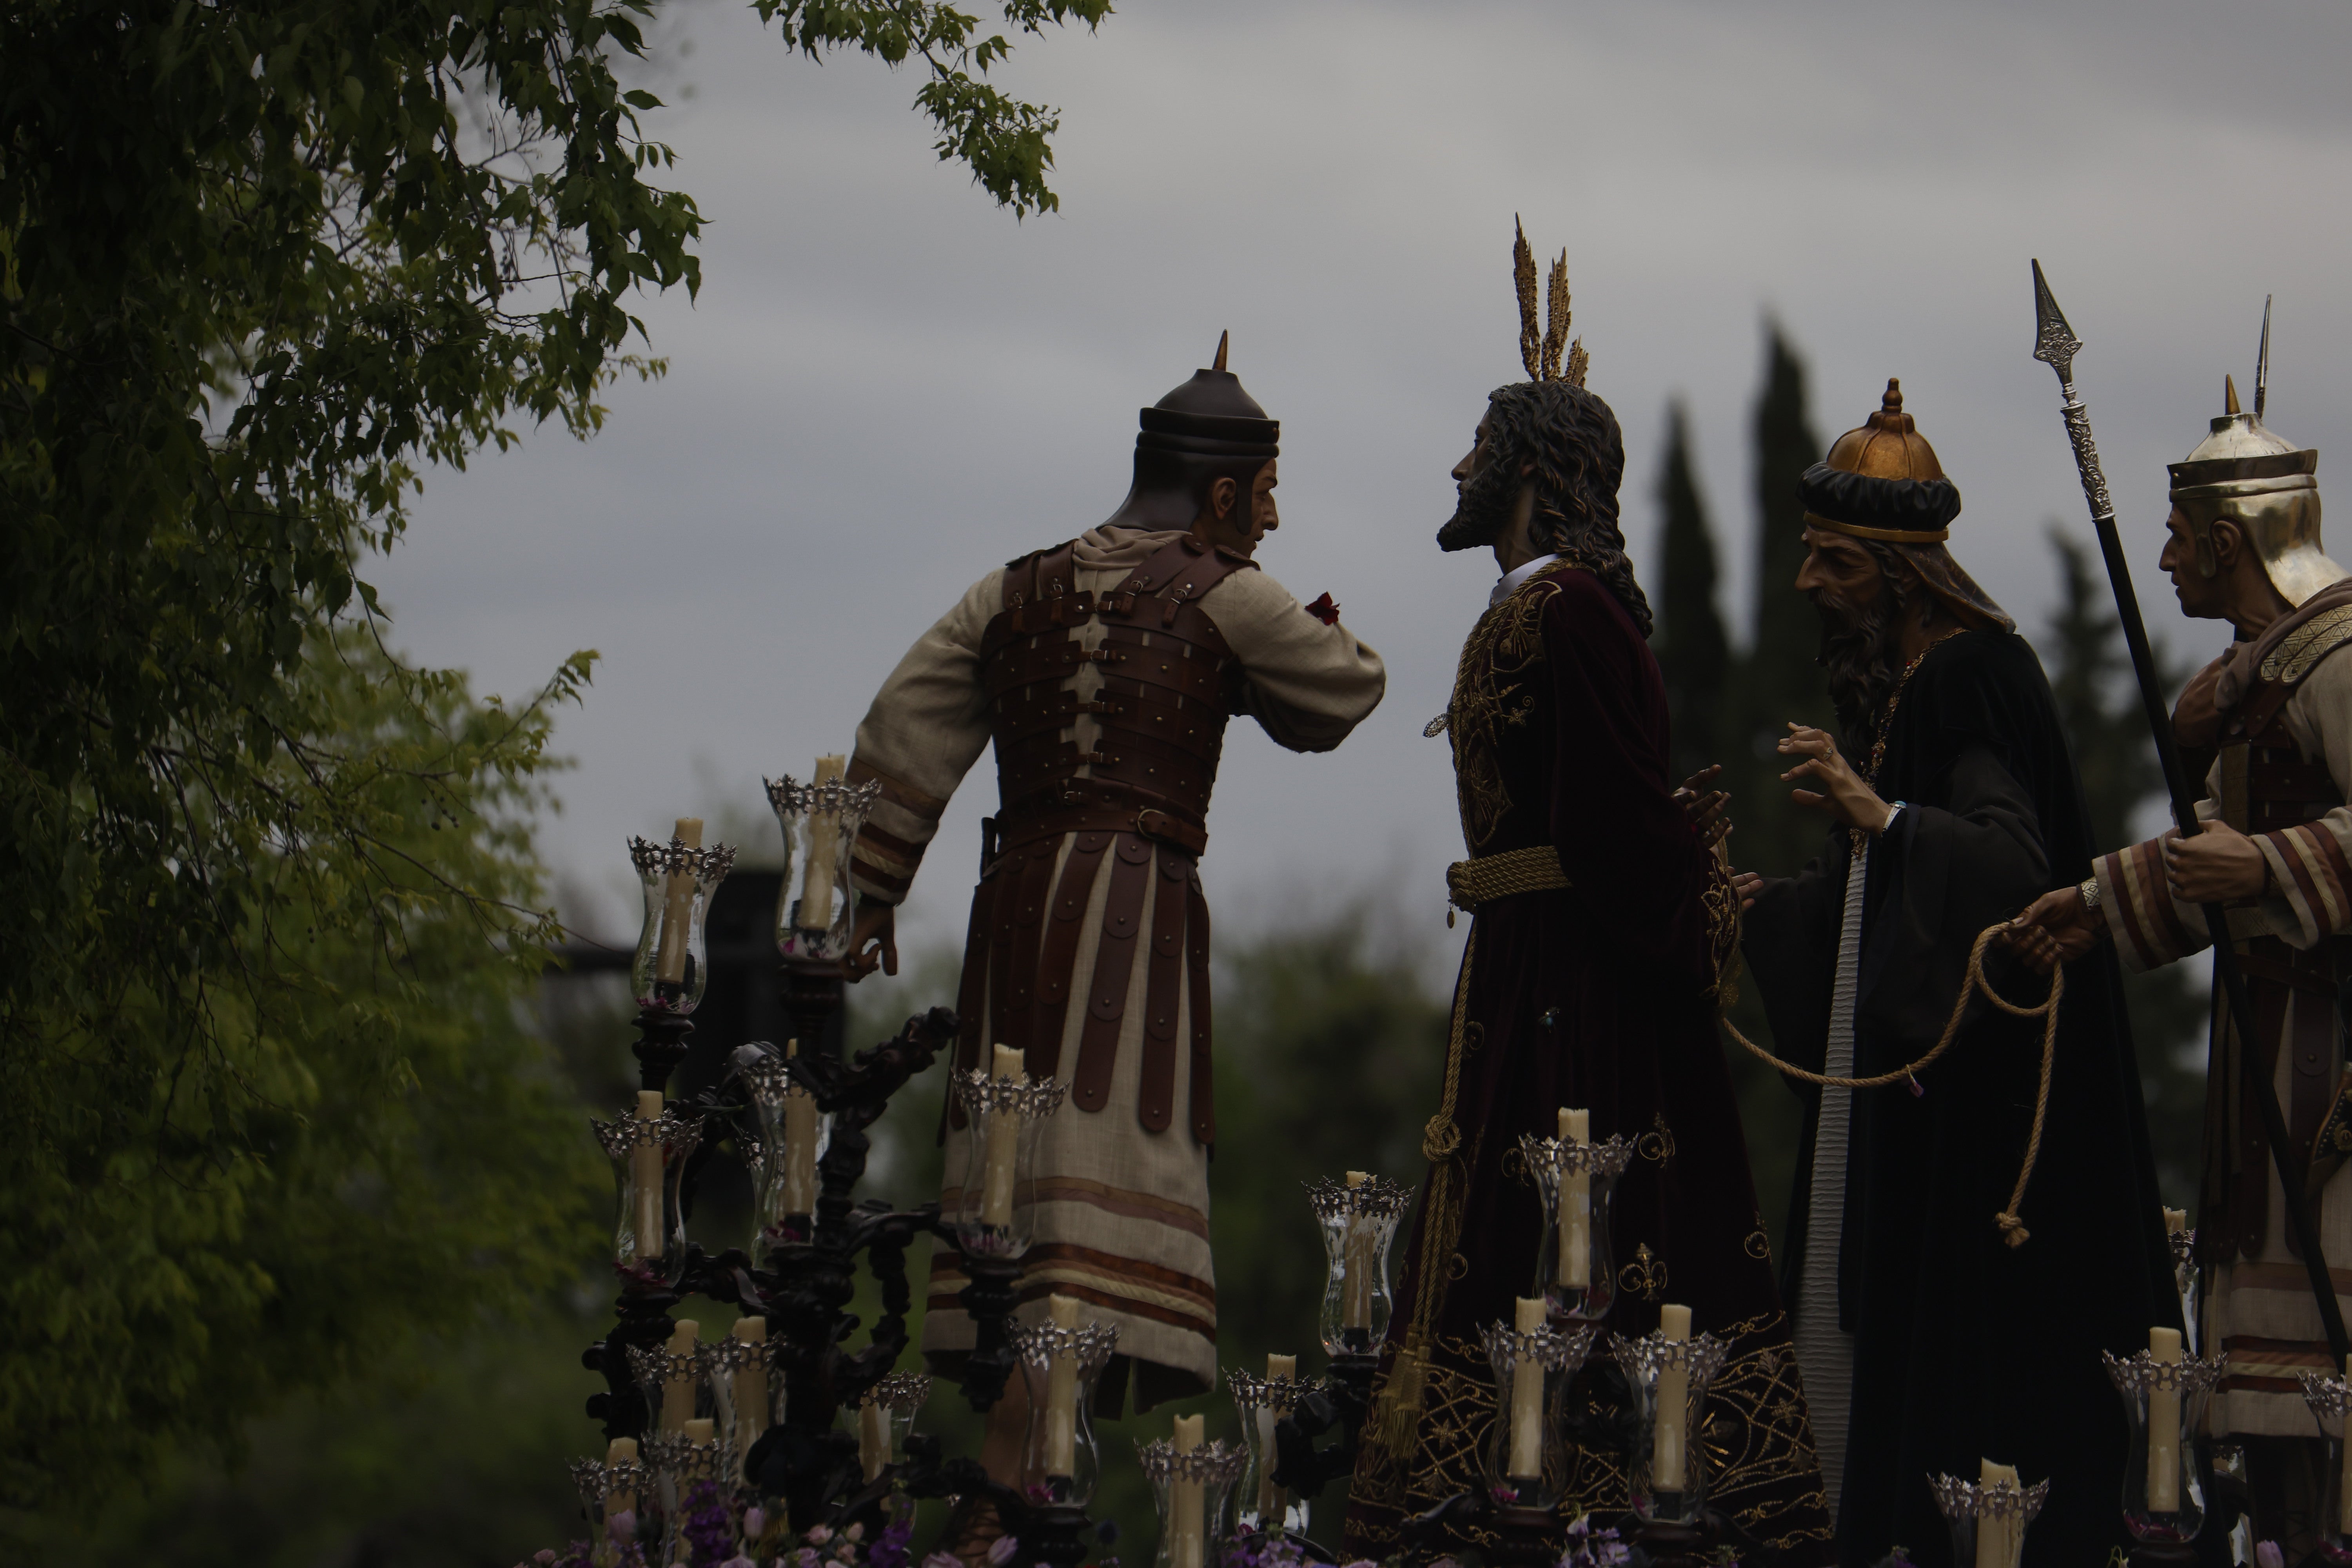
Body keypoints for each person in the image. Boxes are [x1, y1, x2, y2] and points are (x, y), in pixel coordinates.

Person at [1341, 231, 1834, 1564]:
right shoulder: (1534, 608)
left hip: (1579, 995)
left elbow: (1620, 823)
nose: (1456, 468)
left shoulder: (1572, 616)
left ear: (1534, 470)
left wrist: (1690, 915)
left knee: (1578, 1239)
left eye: (1478, 445)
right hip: (1526, 971)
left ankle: (1596, 1494)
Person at [838, 337, 1386, 1510]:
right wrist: (1239, 656)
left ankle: (1010, 1485)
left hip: (1017, 910)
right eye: (1268, 495)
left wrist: (869, 888)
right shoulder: (1227, 589)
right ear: (1226, 493)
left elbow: (903, 722)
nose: (1274, 519)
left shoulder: (1014, 586)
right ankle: (1028, 1497)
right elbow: (1346, 684)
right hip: (1132, 924)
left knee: (1010, 1230)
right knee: (1075, 1241)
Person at [1737, 380, 2175, 1567]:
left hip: (1991, 1131)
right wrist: (1763, 912)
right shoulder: (1919, 683)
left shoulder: (1968, 676)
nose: (1808, 588)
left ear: (1895, 571)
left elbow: (2009, 863)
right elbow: (1884, 899)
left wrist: (1885, 817)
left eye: (1832, 564)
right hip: (1949, 1108)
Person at [2011, 376, 2352, 1559]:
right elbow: (2208, 853)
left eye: (2174, 536)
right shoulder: (2264, 678)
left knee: (2327, 1395)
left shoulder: (2341, 663)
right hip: (2260, 1099)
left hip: (2333, 1090)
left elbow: (2252, 860)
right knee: (2262, 1400)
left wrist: (2266, 868)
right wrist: (2097, 908)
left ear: (2224, 541)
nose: (2159, 559)